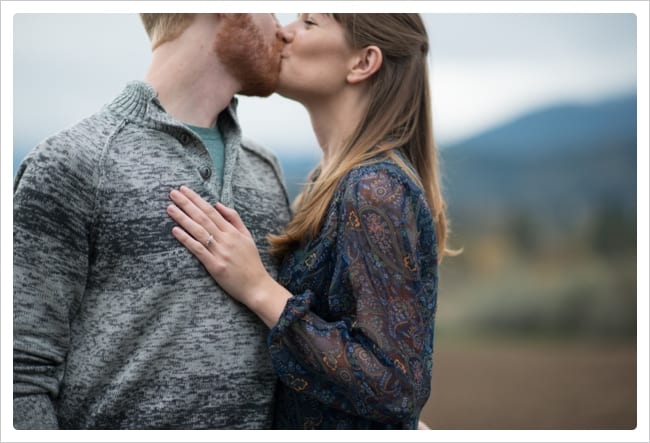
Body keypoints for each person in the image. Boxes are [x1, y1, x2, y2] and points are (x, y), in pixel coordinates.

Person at [167, 13, 456, 429]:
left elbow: (396, 387)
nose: (284, 31)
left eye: (308, 22)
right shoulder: (330, 184)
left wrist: (258, 288)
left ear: (362, 63)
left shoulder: (374, 188)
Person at [13, 13, 291, 429]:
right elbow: (20, 374)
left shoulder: (265, 170)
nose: (284, 30)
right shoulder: (73, 162)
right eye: (270, 9)